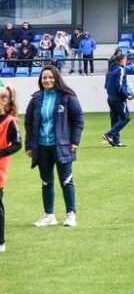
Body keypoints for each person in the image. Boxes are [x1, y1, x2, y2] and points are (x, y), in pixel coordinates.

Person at [25, 65, 83, 228]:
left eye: (50, 77)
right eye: (45, 78)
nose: (47, 80)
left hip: (63, 146)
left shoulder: (67, 97)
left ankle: (71, 214)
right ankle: (49, 215)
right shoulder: (36, 98)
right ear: (40, 80)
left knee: (66, 180)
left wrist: (75, 141)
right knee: (46, 182)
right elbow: (29, 123)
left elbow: (78, 119)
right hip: (42, 147)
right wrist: (29, 145)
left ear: (56, 78)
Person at [0, 85, 21, 252]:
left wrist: (1, 152)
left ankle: (1, 241)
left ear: (8, 102)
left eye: (3, 98)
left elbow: (17, 144)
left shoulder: (9, 121)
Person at [102, 52, 132, 148]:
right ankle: (109, 134)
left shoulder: (110, 70)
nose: (126, 61)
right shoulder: (120, 69)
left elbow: (106, 85)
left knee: (115, 119)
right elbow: (118, 85)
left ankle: (116, 141)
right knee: (126, 118)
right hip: (119, 98)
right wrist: (126, 95)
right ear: (122, 60)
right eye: (125, 59)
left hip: (110, 97)